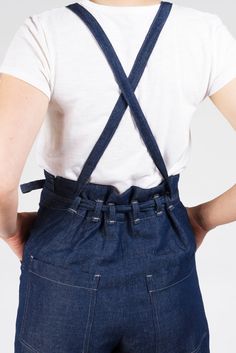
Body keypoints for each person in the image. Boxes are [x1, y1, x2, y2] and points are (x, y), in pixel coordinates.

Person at [0, 0, 235, 352]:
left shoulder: (44, 32)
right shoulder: (204, 32)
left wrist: (13, 234)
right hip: (165, 242)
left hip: (64, 250)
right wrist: (201, 219)